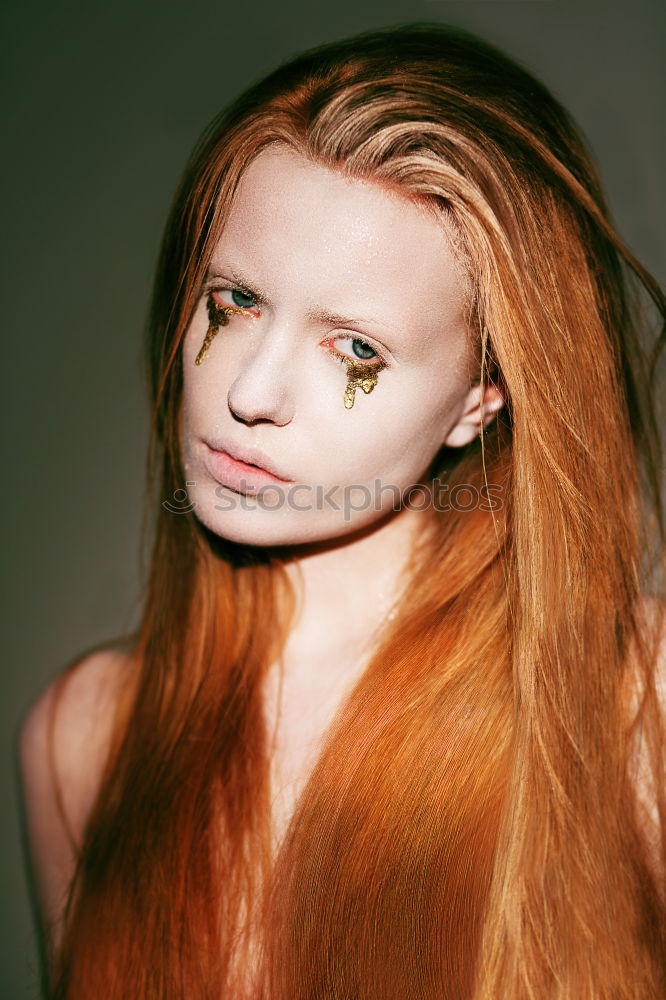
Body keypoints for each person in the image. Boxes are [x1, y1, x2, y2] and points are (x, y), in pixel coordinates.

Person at [18, 21, 666, 1000]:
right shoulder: (85, 740)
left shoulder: (633, 706)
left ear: (480, 399)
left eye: (356, 349)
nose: (252, 391)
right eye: (234, 301)